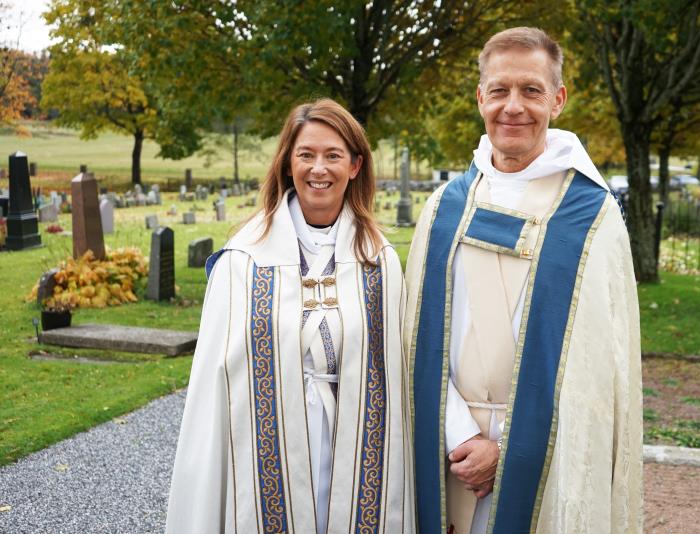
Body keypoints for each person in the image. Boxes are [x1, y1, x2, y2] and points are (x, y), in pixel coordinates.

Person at [405, 27, 642, 533]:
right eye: (500, 90)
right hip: (449, 451)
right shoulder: (444, 207)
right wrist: (460, 436)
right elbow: (415, 339)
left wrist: (509, 445)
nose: (513, 107)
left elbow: (598, 368)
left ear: (557, 99)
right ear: (480, 98)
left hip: (547, 455)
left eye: (531, 91)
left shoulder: (591, 215)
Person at [167, 99, 415, 533]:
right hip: (267, 445)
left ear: (355, 166)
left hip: (354, 442)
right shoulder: (243, 261)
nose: (319, 169)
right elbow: (213, 387)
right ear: (287, 164)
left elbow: (396, 374)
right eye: (306, 155)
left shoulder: (380, 262)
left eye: (333, 155)